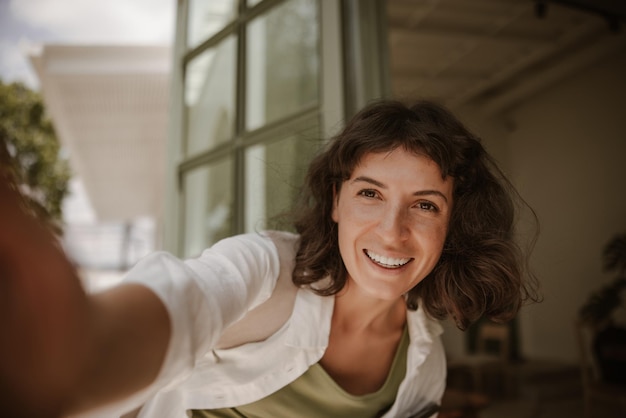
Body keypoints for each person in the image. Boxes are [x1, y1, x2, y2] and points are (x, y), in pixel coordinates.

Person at [0, 99, 539, 418]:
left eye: (424, 205)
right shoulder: (265, 270)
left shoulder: (426, 366)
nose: (392, 232)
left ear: (452, 226)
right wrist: (66, 350)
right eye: (369, 194)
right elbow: (180, 302)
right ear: (335, 201)